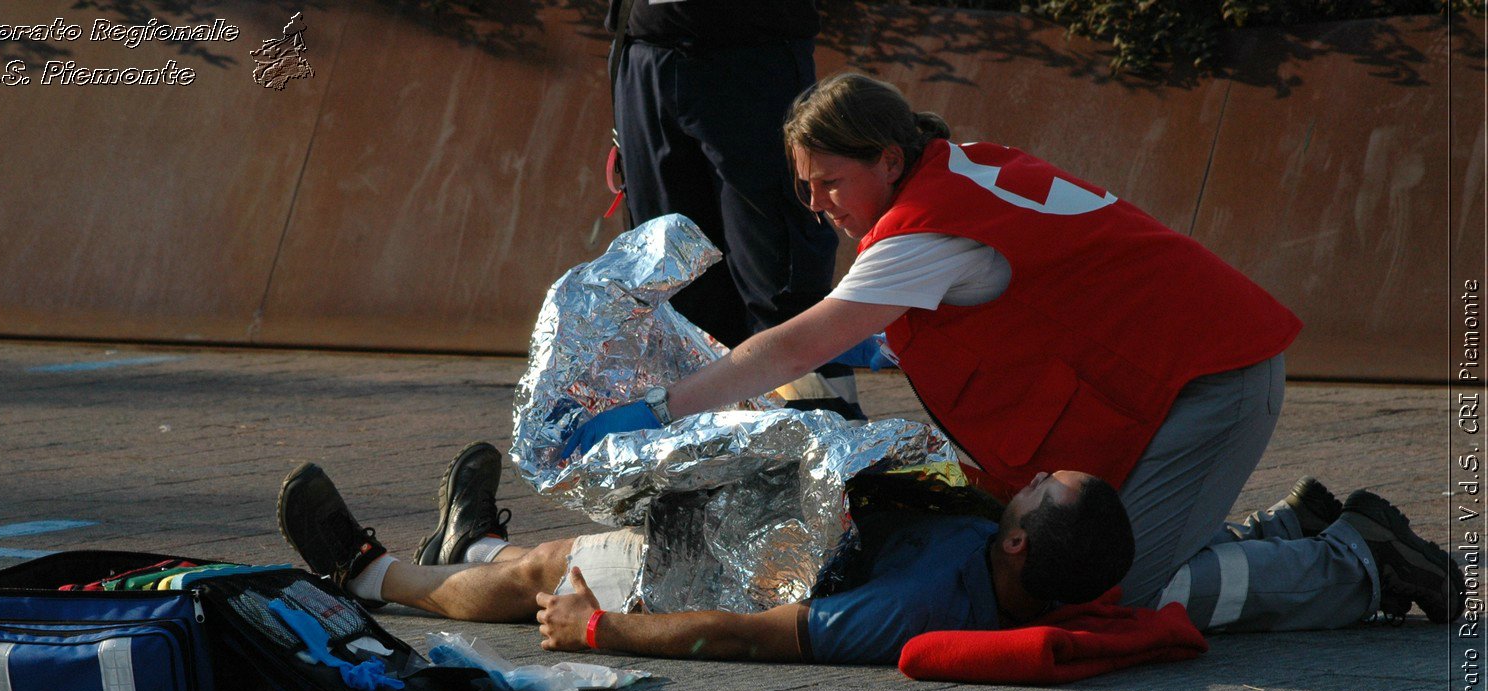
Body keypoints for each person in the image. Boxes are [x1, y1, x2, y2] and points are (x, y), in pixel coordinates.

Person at [561, 72, 1464, 632]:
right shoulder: (958, 169)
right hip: (1188, 371)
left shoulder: (918, 234)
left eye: (829, 182)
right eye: (804, 191)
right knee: (1111, 556)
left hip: (1206, 382)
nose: (820, 206)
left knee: (1112, 598)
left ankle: (1360, 564)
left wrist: (661, 414)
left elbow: (797, 341)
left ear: (883, 157)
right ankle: (1286, 531)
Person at [274, 444, 1137, 665]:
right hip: (770, 531)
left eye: (1041, 486)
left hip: (726, 572)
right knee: (546, 552)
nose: (1028, 478)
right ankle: (476, 544)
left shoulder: (922, 604)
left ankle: (364, 573)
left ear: (1020, 542)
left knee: (541, 580)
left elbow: (759, 636)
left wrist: (599, 632)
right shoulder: (994, 556)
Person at [605, 0, 865, 418]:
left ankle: (819, 439)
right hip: (645, 48)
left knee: (777, 272)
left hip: (751, 53)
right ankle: (702, 448)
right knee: (670, 280)